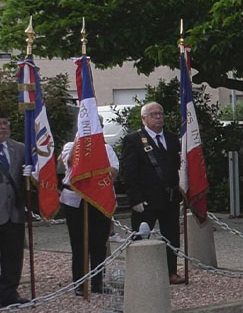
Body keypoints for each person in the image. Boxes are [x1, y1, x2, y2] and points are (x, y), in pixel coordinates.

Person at [120, 102, 184, 284]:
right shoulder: (133, 140)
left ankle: (170, 271)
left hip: (169, 196)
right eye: (153, 114)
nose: (158, 117)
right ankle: (141, 275)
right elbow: (129, 171)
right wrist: (135, 199)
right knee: (141, 236)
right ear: (144, 118)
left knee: (171, 235)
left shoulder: (171, 138)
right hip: (146, 198)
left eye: (160, 114)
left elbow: (177, 166)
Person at [60, 136, 119, 295]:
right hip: (75, 202)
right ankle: (80, 283)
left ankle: (97, 282)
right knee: (79, 244)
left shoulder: (106, 149)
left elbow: (113, 171)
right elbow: (70, 162)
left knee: (99, 244)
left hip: (99, 198)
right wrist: (79, 141)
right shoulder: (70, 146)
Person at [0, 111, 27, 307]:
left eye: (5, 124)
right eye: (0, 124)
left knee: (13, 254)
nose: (3, 127)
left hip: (14, 211)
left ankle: (9, 293)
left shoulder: (19, 148)